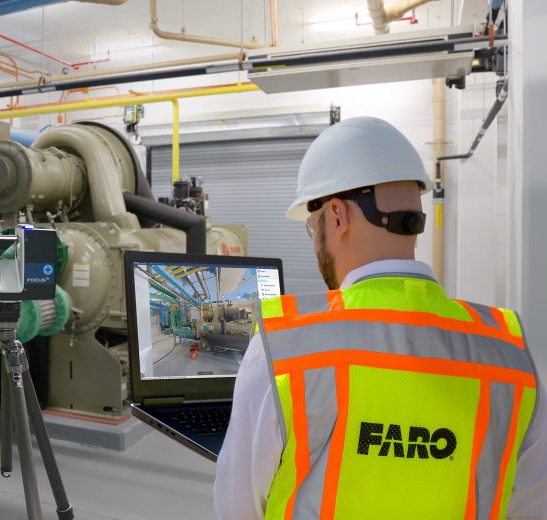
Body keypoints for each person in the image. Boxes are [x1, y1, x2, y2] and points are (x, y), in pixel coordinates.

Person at [214, 117, 546, 519]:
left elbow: (237, 508)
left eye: (312, 227)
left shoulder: (284, 348)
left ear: (337, 216)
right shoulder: (509, 356)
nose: (314, 239)